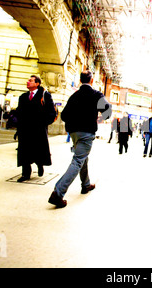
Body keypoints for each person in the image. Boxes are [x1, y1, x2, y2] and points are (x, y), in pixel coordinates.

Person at [48, 71, 111, 208]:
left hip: (74, 133)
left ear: (80, 81)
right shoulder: (96, 95)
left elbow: (63, 116)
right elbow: (107, 111)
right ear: (92, 80)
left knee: (82, 158)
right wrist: (100, 117)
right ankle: (58, 193)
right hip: (87, 133)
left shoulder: (74, 96)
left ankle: (86, 184)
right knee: (77, 161)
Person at [16, 75, 57, 182]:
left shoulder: (45, 95)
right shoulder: (23, 97)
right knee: (24, 151)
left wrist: (44, 124)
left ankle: (40, 165)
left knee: (38, 150)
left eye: (30, 81)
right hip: (24, 130)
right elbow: (19, 112)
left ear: (37, 83)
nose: (27, 82)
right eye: (28, 80)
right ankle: (26, 174)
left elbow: (52, 112)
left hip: (38, 130)